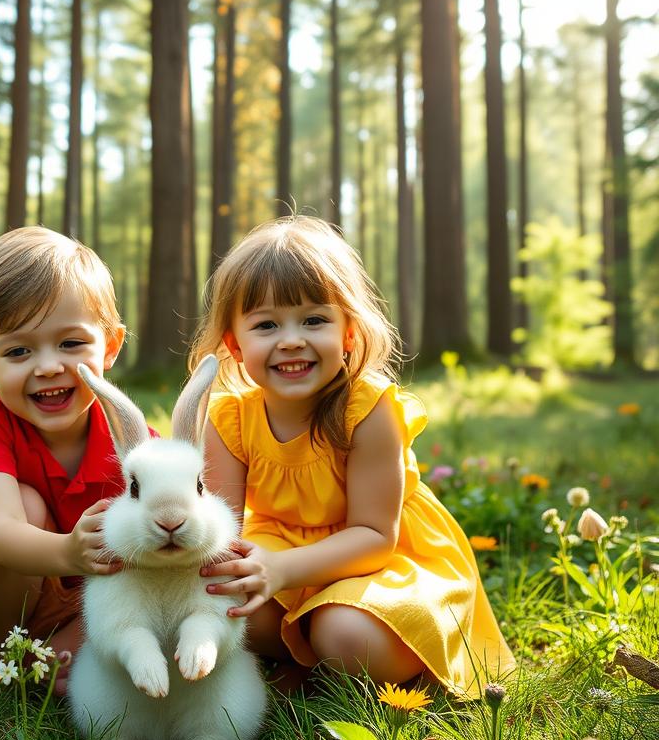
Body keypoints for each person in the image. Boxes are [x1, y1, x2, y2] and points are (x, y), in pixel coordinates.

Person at [190, 215, 515, 698]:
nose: (292, 339)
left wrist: (281, 571)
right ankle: (303, 663)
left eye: (314, 320)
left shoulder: (367, 407)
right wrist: (240, 573)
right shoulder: (230, 417)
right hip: (280, 552)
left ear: (347, 332)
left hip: (381, 561)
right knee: (218, 602)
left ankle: (334, 661)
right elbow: (223, 534)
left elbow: (374, 537)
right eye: (266, 325)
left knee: (342, 635)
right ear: (236, 344)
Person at [0, 226, 128, 693]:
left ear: (110, 346)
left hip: (86, 595)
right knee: (26, 505)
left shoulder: (128, 431)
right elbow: (0, 537)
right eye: (18, 351)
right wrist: (69, 552)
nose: (47, 366)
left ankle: (45, 661)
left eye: (71, 344)